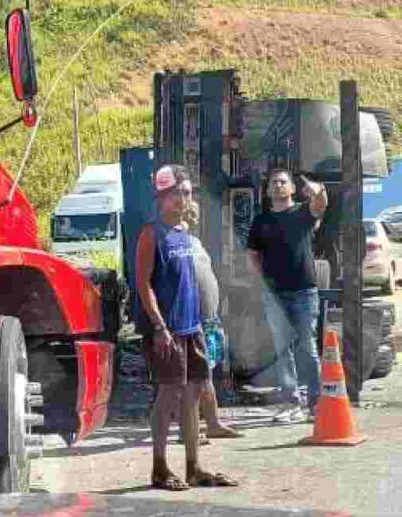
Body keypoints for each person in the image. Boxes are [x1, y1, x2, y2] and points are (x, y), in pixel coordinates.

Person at [135, 165, 238, 491]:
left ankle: (194, 467)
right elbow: (143, 284)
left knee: (194, 393)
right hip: (167, 330)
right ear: (163, 196)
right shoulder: (151, 234)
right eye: (179, 192)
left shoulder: (183, 231)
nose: (185, 198)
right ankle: (159, 467)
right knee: (168, 395)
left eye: (188, 192)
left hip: (192, 328)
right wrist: (159, 326)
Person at [247, 168, 328, 423]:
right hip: (274, 295)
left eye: (284, 182)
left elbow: (320, 205)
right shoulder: (261, 221)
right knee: (283, 350)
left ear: (292, 188)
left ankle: (316, 404)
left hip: (304, 291)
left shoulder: (303, 213)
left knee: (308, 347)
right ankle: (292, 403)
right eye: (274, 183)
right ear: (268, 190)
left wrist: (319, 191)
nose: (279, 186)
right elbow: (252, 255)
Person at [183, 200, 242, 441]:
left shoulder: (194, 242)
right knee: (195, 376)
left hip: (209, 319)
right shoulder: (174, 243)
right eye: (189, 212)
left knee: (206, 374)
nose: (193, 216)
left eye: (194, 213)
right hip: (193, 320)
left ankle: (213, 423)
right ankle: (190, 428)